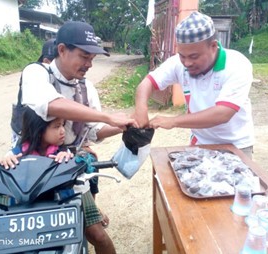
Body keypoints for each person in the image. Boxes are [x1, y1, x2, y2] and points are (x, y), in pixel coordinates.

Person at [18, 21, 132, 254]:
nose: (89, 64)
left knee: (99, 237)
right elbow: (51, 105)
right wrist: (109, 117)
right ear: (61, 50)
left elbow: (92, 131)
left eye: (92, 59)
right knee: (29, 240)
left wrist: (124, 127)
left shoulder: (87, 88)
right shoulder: (37, 73)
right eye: (84, 56)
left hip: (67, 169)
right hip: (31, 169)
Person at [133, 11, 254, 158]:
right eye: (182, 56)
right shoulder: (178, 64)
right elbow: (147, 83)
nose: (187, 63)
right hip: (200, 143)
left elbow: (223, 113)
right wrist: (141, 108)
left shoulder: (237, 65)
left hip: (236, 146)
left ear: (213, 46)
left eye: (194, 56)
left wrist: (173, 121)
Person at [0, 107, 72, 169]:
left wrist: (68, 160)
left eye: (63, 125)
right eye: (57, 126)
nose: (63, 131)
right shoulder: (19, 153)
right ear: (39, 130)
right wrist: (7, 160)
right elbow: (4, 162)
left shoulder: (62, 152)